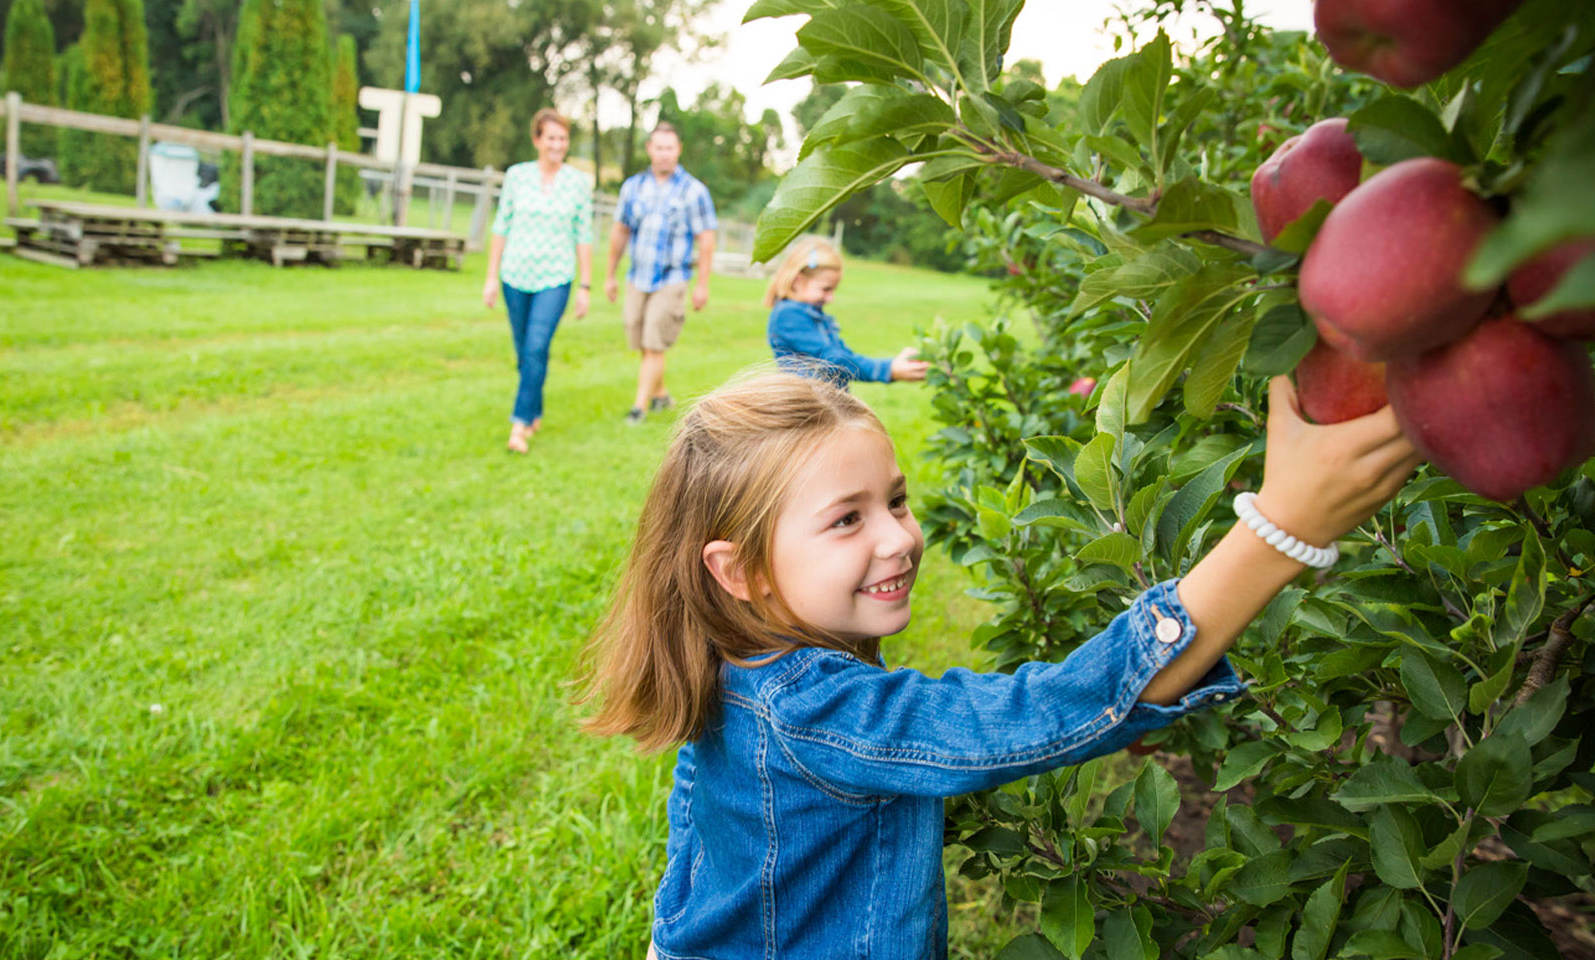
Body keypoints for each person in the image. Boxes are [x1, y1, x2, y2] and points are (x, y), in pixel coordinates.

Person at [578, 371, 1421, 958]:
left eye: (896, 500)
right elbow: (1036, 716)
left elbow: (697, 845)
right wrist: (1276, 528)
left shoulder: (733, 660)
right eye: (847, 520)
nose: (899, 537)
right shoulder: (815, 711)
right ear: (741, 570)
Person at [482, 108, 595, 454]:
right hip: (515, 275)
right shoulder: (517, 176)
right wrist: (490, 277)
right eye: (551, 138)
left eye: (563, 139)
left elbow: (584, 234)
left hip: (555, 277)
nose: (557, 145)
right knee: (525, 352)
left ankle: (519, 425)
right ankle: (535, 409)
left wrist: (585, 286)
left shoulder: (578, 183)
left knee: (536, 346)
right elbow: (501, 226)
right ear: (537, 140)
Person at [605, 122, 718, 425]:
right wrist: (610, 275)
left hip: (672, 278)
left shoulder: (694, 191)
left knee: (654, 342)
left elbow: (706, 239)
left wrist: (702, 285)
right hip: (637, 276)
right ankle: (661, 395)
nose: (664, 154)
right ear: (650, 149)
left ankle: (639, 408)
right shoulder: (633, 187)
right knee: (642, 340)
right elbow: (620, 231)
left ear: (678, 150)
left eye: (670, 148)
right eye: (659, 147)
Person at [765, 237, 930, 388]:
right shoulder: (788, 315)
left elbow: (844, 355)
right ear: (797, 281)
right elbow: (833, 360)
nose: (830, 298)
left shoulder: (813, 314)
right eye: (826, 289)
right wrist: (888, 369)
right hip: (809, 410)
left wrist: (895, 364)